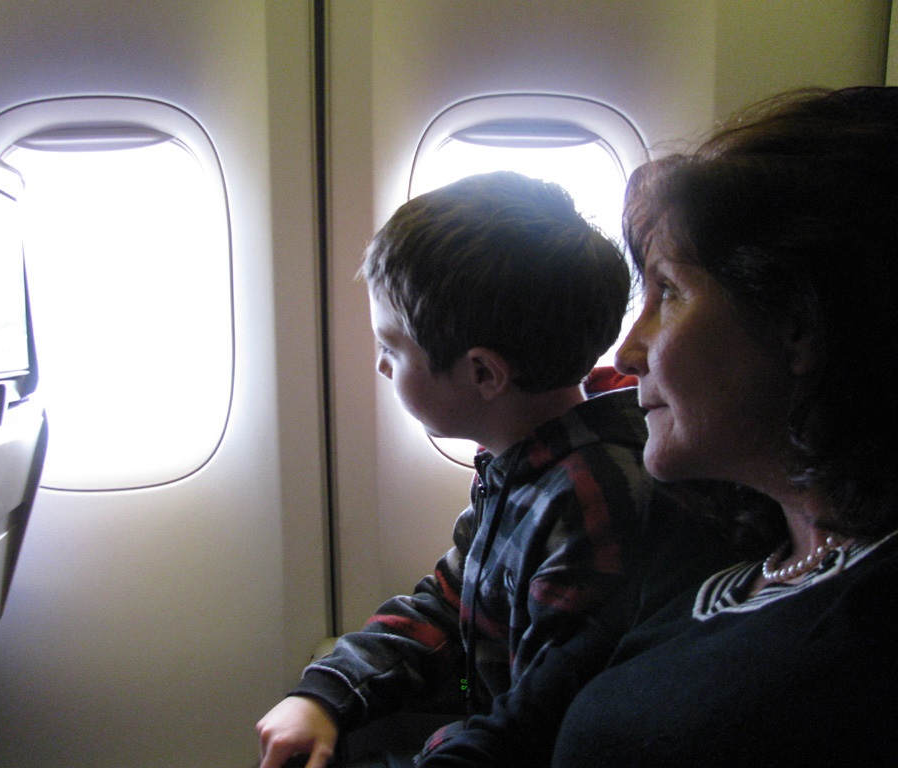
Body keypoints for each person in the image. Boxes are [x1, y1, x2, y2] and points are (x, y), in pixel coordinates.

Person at [256, 171, 733, 768]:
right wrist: (327, 693)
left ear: (484, 374)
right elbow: (445, 601)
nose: (380, 366)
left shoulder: (590, 505)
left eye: (391, 347)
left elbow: (546, 721)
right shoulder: (514, 466)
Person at [550, 87, 898, 767]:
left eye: (669, 292)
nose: (626, 353)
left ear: (798, 322)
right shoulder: (713, 538)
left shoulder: (861, 652)